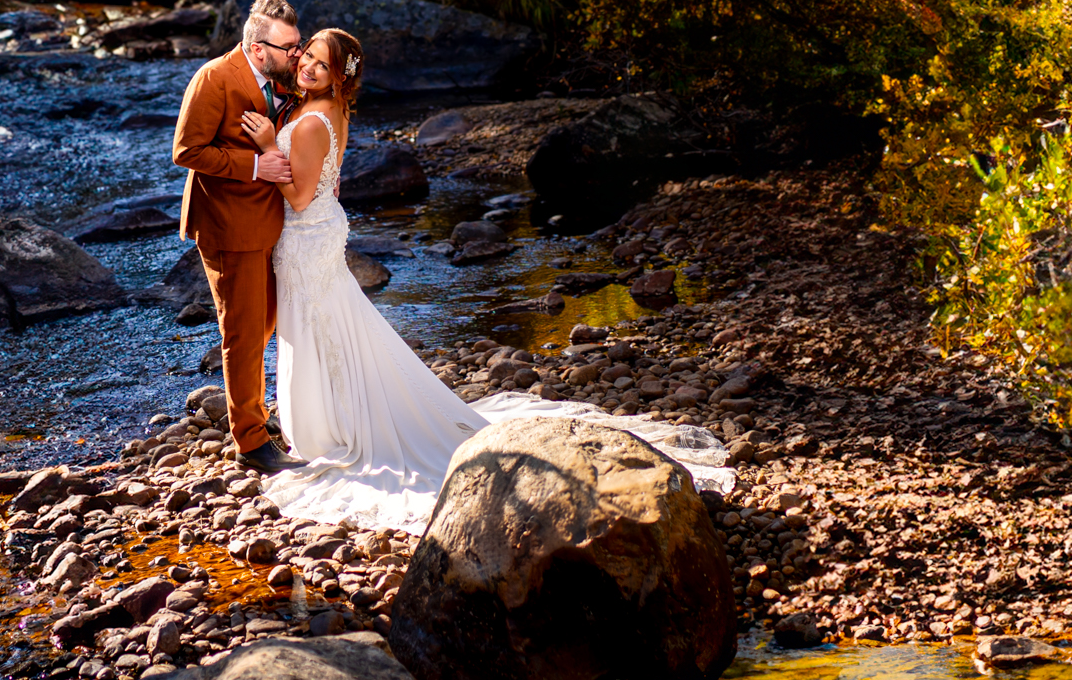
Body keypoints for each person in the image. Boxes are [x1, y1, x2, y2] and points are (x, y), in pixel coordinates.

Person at [240, 29, 731, 532]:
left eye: (321, 64)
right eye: (308, 59)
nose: (308, 68)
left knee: (317, 328)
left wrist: (263, 148)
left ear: (339, 75)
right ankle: (335, 418)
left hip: (306, 236)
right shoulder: (331, 111)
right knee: (334, 325)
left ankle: (330, 431)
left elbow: (298, 197)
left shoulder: (307, 124)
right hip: (319, 235)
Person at [172, 0, 308, 472]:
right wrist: (255, 165)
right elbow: (186, 151)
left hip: (273, 222)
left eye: (298, 44)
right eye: (289, 47)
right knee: (243, 333)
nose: (298, 54)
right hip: (229, 226)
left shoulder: (280, 77)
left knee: (268, 322)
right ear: (257, 48)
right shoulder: (214, 78)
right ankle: (251, 441)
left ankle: (258, 413)